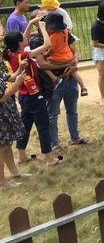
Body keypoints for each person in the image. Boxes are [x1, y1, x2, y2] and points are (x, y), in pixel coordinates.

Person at [3, 27, 63, 166]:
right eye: (23, 39)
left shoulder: (10, 54)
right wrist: (42, 27)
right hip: (34, 96)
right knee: (43, 125)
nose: (26, 38)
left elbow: (21, 40)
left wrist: (31, 23)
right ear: (19, 43)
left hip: (24, 96)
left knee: (25, 125)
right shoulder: (23, 55)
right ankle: (48, 158)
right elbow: (47, 45)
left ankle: (22, 155)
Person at [29, 34, 89, 150]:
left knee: (72, 111)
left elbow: (75, 52)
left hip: (70, 80)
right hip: (53, 85)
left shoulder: (63, 34)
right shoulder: (37, 41)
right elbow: (42, 64)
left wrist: (74, 63)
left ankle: (75, 138)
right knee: (52, 115)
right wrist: (68, 64)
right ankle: (54, 144)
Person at [0, 61, 30, 189]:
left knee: (7, 144)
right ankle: (1, 182)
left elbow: (10, 77)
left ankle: (14, 172)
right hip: (1, 114)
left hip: (4, 114)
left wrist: (20, 68)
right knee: (1, 148)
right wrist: (16, 84)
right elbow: (2, 98)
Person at [43, 12, 88, 96]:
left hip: (57, 59)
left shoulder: (53, 36)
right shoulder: (65, 32)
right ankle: (83, 87)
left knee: (42, 63)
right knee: (73, 72)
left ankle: (55, 79)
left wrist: (45, 54)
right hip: (68, 56)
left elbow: (51, 50)